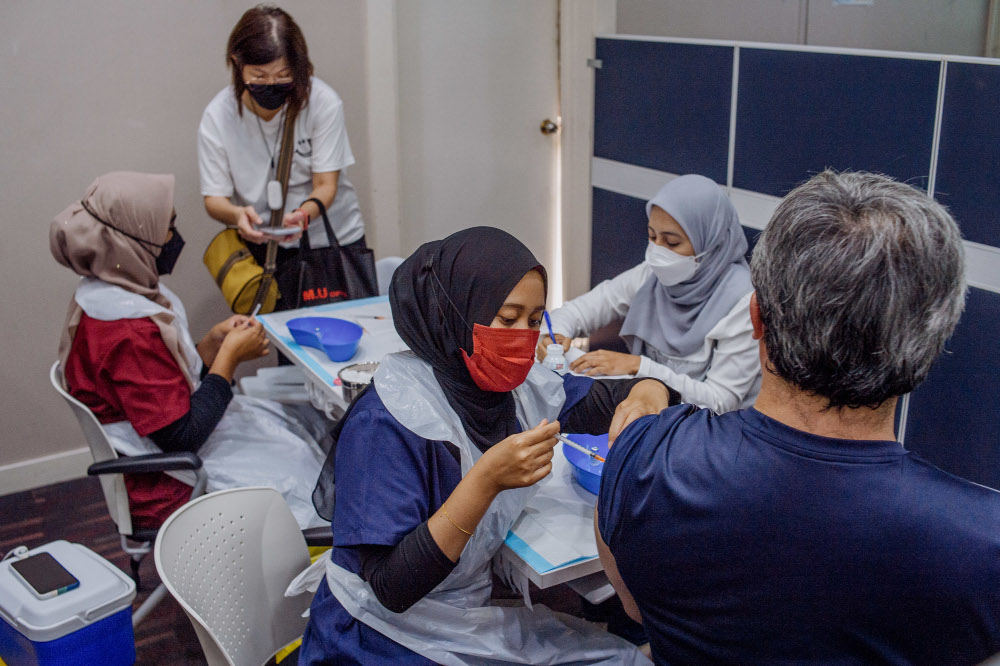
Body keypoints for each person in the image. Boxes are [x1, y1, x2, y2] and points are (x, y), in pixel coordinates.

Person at [596, 171, 1000, 664]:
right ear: (931, 345)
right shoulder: (982, 544)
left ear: (756, 318)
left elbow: (636, 609)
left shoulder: (640, 456)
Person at [287, 227, 676, 664]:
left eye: (533, 321)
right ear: (452, 311)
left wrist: (649, 388)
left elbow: (606, 398)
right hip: (377, 635)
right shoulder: (390, 418)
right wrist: (486, 481)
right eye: (506, 319)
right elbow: (392, 588)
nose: (522, 338)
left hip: (460, 611)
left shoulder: (519, 389)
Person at [52, 171, 329, 529]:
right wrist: (229, 359)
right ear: (132, 240)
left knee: (303, 438)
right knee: (308, 486)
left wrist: (209, 347)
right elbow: (181, 436)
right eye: (167, 227)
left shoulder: (113, 290)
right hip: (168, 480)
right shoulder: (126, 330)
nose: (173, 238)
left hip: (169, 445)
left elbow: (156, 381)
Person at [540, 174, 759, 413]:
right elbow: (583, 309)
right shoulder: (652, 276)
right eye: (652, 237)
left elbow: (720, 402)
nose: (657, 252)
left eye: (672, 243)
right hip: (655, 413)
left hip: (710, 430)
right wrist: (555, 334)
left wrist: (638, 367)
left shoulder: (743, 303)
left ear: (712, 242)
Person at [198, 5, 366, 310]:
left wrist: (302, 216)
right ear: (237, 62)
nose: (271, 85)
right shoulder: (218, 116)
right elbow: (214, 198)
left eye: (283, 75)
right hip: (268, 248)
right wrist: (237, 216)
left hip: (332, 243)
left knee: (350, 334)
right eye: (259, 76)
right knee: (287, 343)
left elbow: (326, 184)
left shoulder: (322, 103)